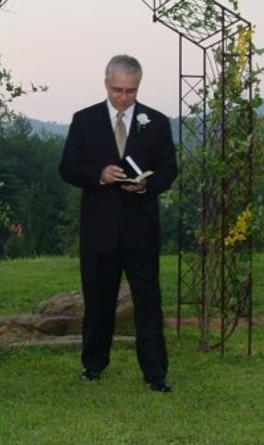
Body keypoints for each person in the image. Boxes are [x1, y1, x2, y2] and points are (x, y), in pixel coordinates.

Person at [59, 54, 178, 392]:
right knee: (98, 303)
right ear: (105, 83)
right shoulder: (84, 120)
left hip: (141, 230)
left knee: (148, 303)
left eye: (130, 91)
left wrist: (147, 184)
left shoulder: (156, 121)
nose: (124, 98)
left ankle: (156, 374)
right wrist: (98, 174)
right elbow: (67, 167)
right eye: (117, 90)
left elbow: (170, 170)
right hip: (99, 231)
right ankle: (93, 365)